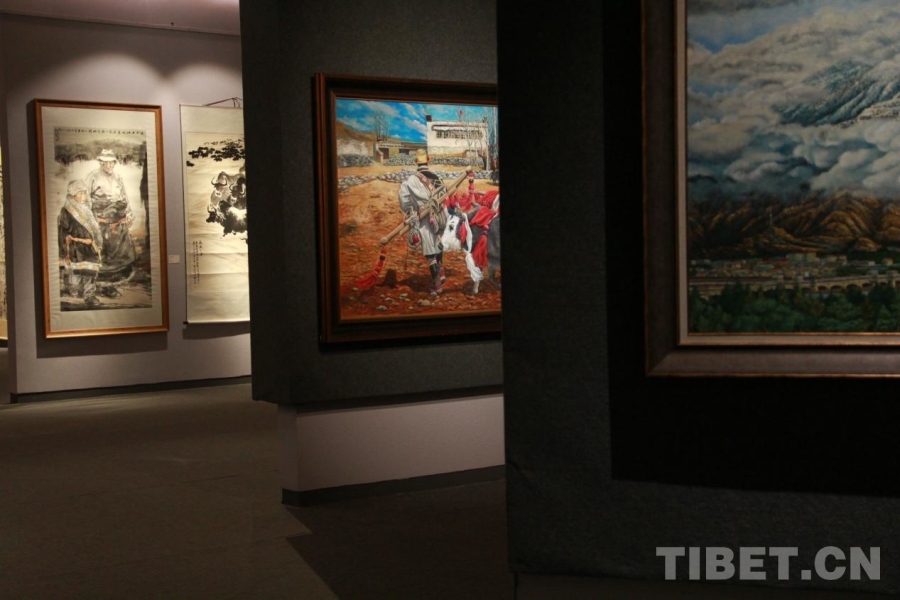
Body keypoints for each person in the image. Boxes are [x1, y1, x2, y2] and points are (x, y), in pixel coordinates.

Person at [84, 149, 135, 291]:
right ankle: (101, 280)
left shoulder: (118, 177)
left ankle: (120, 274)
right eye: (107, 163)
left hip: (117, 218)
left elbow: (124, 197)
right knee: (102, 248)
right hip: (100, 218)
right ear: (101, 163)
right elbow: (86, 198)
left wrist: (129, 212)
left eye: (112, 162)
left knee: (120, 248)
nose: (110, 165)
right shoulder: (92, 176)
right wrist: (90, 217)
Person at [398, 149, 446, 294]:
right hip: (440, 217)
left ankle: (437, 286)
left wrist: (412, 209)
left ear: (415, 162)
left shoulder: (410, 181)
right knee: (438, 245)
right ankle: (441, 272)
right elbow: (444, 196)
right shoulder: (437, 178)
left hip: (425, 220)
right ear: (428, 160)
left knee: (430, 254)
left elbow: (404, 202)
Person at [58, 179, 102, 308]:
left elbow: (94, 228)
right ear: (73, 195)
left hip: (90, 245)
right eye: (80, 193)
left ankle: (89, 296)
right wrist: (66, 246)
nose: (83, 196)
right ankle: (73, 287)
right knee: (77, 272)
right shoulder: (67, 210)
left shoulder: (89, 208)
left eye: (84, 193)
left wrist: (95, 241)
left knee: (91, 271)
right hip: (76, 246)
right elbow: (64, 230)